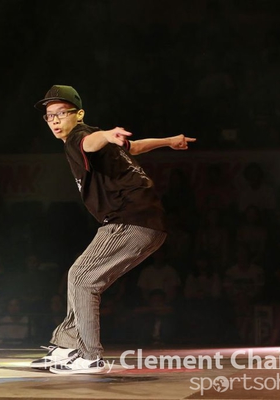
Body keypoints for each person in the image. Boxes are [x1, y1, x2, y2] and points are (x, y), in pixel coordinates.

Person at [30, 85, 196, 374]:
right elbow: (136, 147)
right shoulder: (101, 141)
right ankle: (67, 345)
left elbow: (89, 142)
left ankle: (90, 356)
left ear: (79, 114)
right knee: (83, 277)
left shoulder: (79, 137)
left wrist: (106, 135)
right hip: (148, 224)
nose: (55, 121)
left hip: (129, 220)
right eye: (49, 116)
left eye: (61, 113)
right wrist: (169, 141)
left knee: (82, 278)